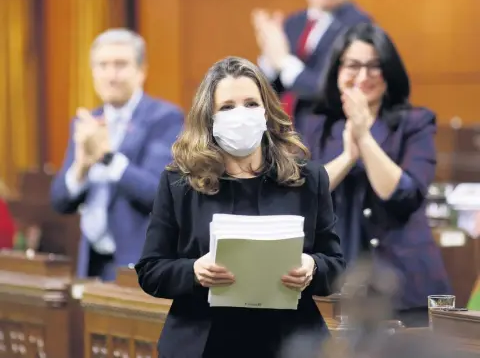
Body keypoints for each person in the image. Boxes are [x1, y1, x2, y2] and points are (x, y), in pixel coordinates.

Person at [135, 56, 345, 358]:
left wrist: (312, 267)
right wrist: (194, 271)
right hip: (205, 340)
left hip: (291, 341)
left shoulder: (308, 177)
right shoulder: (180, 182)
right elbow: (151, 269)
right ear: (209, 117)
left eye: (250, 103)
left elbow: (335, 264)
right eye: (227, 107)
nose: (241, 115)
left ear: (267, 111)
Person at [302, 23, 451, 327]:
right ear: (337, 70)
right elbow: (302, 195)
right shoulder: (314, 125)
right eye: (353, 65)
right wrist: (347, 157)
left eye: (374, 66)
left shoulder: (415, 123)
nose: (363, 76)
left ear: (389, 72)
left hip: (405, 286)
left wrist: (363, 137)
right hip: (336, 286)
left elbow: (403, 194)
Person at [50, 28, 184, 281]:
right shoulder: (87, 122)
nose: (111, 75)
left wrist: (107, 157)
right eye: (102, 65)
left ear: (141, 71)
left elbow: (161, 193)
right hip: (91, 263)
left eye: (120, 65)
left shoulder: (164, 119)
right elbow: (59, 201)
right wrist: (81, 167)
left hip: (138, 265)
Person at [252, 0, 371, 130]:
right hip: (282, 136)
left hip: (327, 136)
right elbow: (273, 89)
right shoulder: (292, 22)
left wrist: (283, 62)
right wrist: (270, 60)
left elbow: (334, 92)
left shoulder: (360, 27)